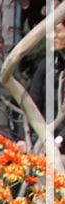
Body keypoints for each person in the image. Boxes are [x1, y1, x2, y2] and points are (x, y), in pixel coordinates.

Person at [29, 17, 65, 149]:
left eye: (57, 31)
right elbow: (33, 104)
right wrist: (24, 138)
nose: (52, 36)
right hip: (45, 139)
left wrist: (59, 140)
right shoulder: (47, 64)